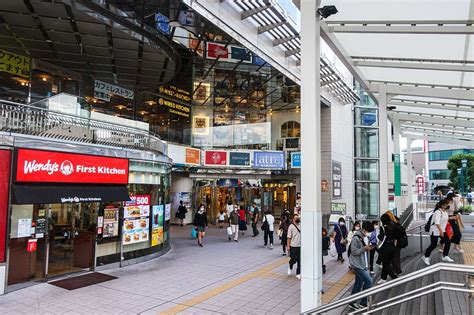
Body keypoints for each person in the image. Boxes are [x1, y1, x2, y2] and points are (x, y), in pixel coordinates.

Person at [348, 221, 374, 310]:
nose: (369, 233)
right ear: (364, 230)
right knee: (369, 281)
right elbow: (354, 251)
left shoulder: (364, 237)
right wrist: (364, 248)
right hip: (357, 264)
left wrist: (369, 248)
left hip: (363, 264)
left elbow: (363, 251)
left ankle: (352, 302)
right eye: (369, 231)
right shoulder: (356, 238)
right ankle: (363, 302)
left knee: (358, 283)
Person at [422, 199, 454, 265]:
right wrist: (441, 231)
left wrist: (453, 218)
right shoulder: (438, 212)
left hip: (442, 230)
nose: (448, 205)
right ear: (442, 205)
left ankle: (445, 256)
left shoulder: (445, 212)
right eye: (446, 204)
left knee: (448, 242)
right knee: (433, 245)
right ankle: (426, 257)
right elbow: (437, 223)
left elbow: (445, 219)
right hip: (435, 230)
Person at [377, 214, 398, 284]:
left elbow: (381, 237)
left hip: (385, 247)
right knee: (387, 263)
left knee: (386, 264)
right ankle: (383, 278)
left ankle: (395, 278)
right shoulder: (393, 226)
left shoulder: (382, 227)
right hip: (392, 247)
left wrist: (378, 235)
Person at [385, 211, 405, 275]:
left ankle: (397, 271)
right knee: (396, 257)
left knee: (394, 258)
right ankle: (397, 271)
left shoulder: (391, 224)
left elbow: (392, 234)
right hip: (397, 243)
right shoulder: (396, 222)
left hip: (394, 243)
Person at [287, 214, 301, 279]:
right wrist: (288, 246)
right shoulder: (291, 226)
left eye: (298, 218)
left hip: (300, 246)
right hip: (293, 246)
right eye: (296, 218)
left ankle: (298, 273)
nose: (297, 219)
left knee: (299, 260)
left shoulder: (301, 225)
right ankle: (290, 266)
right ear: (293, 219)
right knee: (293, 259)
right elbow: (289, 237)